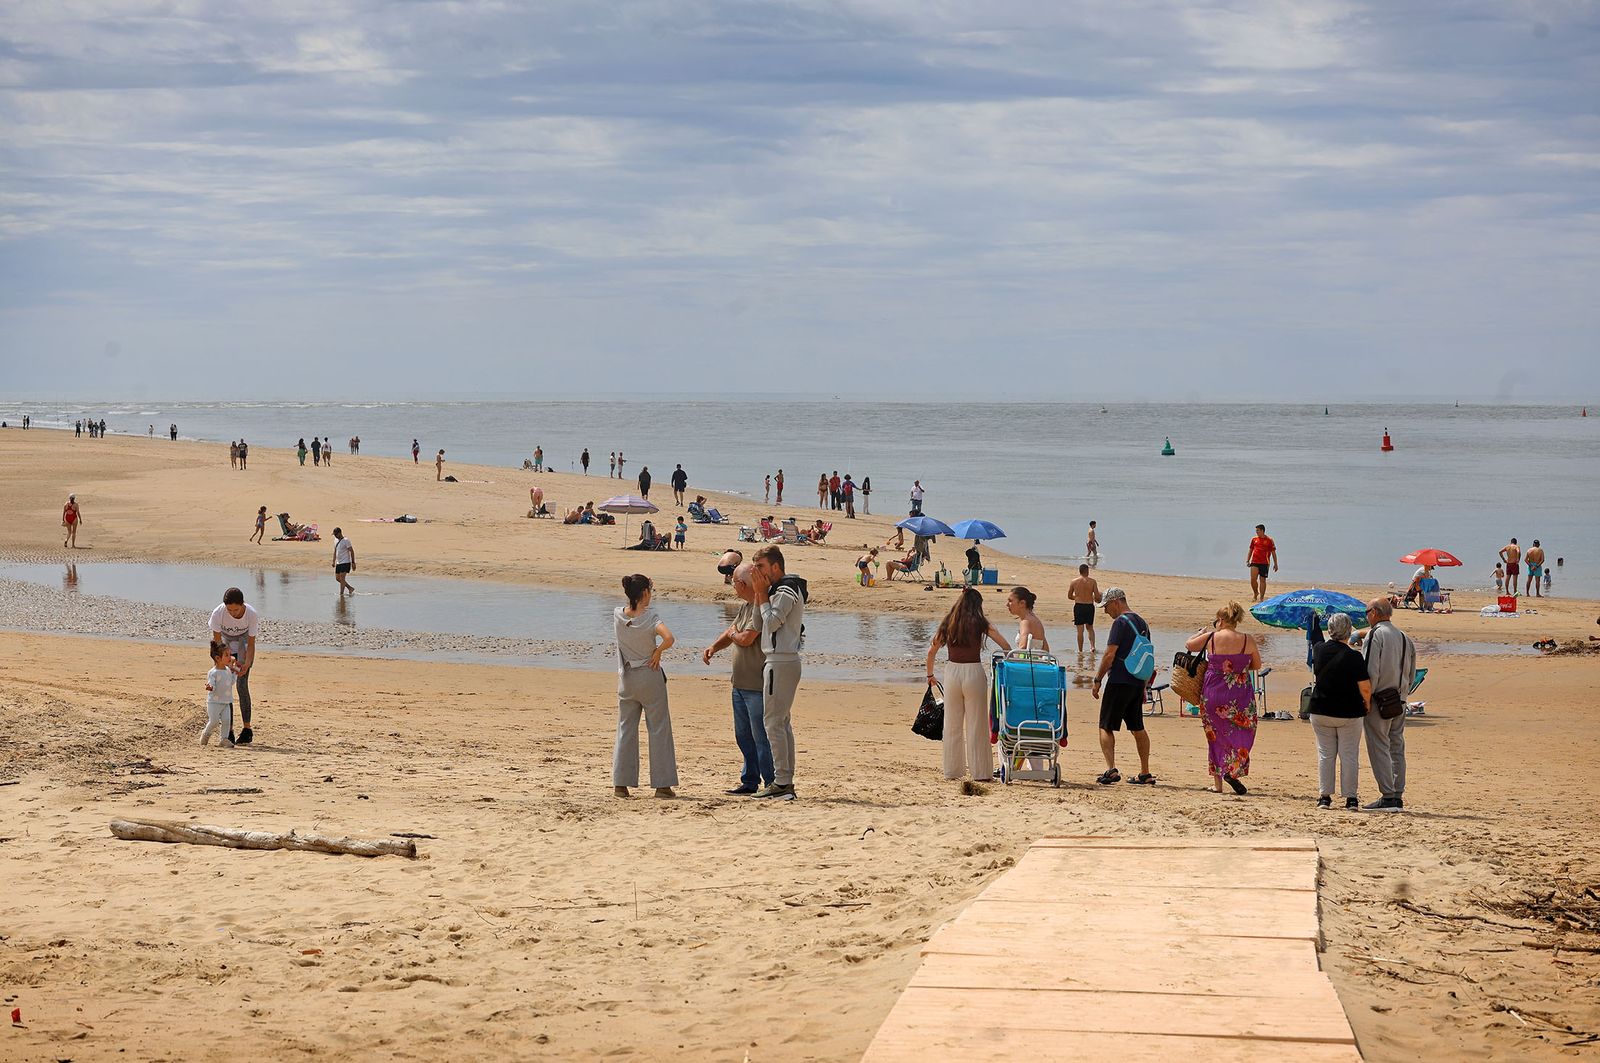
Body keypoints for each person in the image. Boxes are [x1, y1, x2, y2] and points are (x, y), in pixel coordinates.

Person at [926, 588, 1012, 782]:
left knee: (952, 724)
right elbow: (1005, 646)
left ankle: (952, 771)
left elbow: (932, 651)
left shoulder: (949, 622)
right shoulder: (981, 622)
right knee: (976, 724)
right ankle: (980, 772)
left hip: (952, 672)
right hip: (973, 672)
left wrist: (930, 675)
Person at [703, 563, 774, 795]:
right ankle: (750, 780)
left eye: (733, 581)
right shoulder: (746, 606)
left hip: (755, 685)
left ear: (742, 584)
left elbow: (744, 637)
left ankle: (770, 782)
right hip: (740, 684)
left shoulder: (760, 608)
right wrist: (714, 646)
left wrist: (733, 633)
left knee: (760, 737)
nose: (732, 585)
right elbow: (732, 632)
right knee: (743, 736)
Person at [612, 574, 678, 799]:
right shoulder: (651, 617)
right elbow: (669, 638)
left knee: (625, 729)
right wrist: (657, 652)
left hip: (627, 677)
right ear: (645, 594)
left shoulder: (618, 615)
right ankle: (662, 785)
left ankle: (621, 784)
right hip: (649, 675)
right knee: (659, 729)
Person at [1184, 601, 1260, 795]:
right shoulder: (1247, 640)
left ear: (1221, 620)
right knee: (1244, 730)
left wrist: (1200, 632)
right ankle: (1233, 770)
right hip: (1240, 694)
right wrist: (1237, 669)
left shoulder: (1211, 637)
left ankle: (1218, 785)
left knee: (1214, 736)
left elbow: (1189, 645)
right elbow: (1256, 665)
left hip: (1213, 693)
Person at [751, 545, 806, 801]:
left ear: (776, 566)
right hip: (778, 660)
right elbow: (758, 623)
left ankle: (782, 782)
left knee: (773, 722)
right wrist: (758, 594)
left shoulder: (787, 588)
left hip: (782, 661)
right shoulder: (775, 590)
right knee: (781, 722)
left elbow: (772, 622)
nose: (758, 573)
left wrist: (762, 594)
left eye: (761, 567)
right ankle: (785, 780)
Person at [1090, 588, 1153, 785]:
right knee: (1137, 727)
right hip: (1136, 680)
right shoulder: (1142, 622)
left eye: (1107, 606)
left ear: (1117, 602)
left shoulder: (1120, 623)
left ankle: (1111, 769)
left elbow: (1109, 655)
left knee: (1106, 726)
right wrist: (1143, 685)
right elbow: (1147, 655)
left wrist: (1098, 679)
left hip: (1118, 679)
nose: (1105, 611)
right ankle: (1145, 772)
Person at [1308, 611, 1371, 810]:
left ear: (1330, 630)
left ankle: (1324, 797)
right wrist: (1367, 704)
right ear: (1349, 631)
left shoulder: (1319, 650)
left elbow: (1316, 638)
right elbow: (1365, 687)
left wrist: (1314, 620)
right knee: (1349, 755)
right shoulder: (1354, 656)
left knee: (1325, 754)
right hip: (1348, 712)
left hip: (1321, 710)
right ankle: (1351, 798)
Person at [1362, 598, 1417, 812]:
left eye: (1367, 612)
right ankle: (1397, 793)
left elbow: (1370, 671)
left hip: (1379, 699)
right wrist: (1403, 693)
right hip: (1400, 699)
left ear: (1375, 612)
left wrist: (1365, 699)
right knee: (1397, 746)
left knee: (1378, 746)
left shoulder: (1375, 634)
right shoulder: (1404, 637)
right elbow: (1411, 673)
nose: (1366, 616)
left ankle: (1388, 795)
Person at [209, 588, 259, 745]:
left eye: (236, 609)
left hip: (243, 647)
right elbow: (218, 644)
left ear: (242, 605)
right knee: (225, 687)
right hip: (226, 648)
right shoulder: (218, 614)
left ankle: (247, 730)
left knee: (242, 685)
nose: (232, 613)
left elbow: (251, 644)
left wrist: (247, 664)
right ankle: (228, 731)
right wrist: (225, 662)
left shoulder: (251, 614)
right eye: (229, 609)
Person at [200, 642, 237, 748]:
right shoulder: (213, 672)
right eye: (226, 655)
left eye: (230, 654)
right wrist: (210, 687)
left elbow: (231, 682)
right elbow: (212, 683)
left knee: (226, 721)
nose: (230, 657)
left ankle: (224, 739)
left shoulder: (228, 670)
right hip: (214, 702)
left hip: (226, 701)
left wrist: (235, 673)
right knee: (214, 721)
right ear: (218, 658)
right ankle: (206, 734)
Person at [1067, 564, 1101, 653]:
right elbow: (1097, 596)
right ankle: (1092, 646)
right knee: (1090, 628)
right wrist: (1094, 598)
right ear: (1087, 571)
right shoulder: (1093, 582)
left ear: (1080, 571)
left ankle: (1080, 650)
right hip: (1089, 606)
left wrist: (1077, 597)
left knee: (1080, 630)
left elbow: (1069, 596)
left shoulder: (1074, 581)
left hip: (1079, 606)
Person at [1007, 586, 1048, 650]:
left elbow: (1023, 647)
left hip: (1027, 659)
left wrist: (1011, 658)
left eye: (1010, 601)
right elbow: (1046, 649)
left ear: (1022, 603)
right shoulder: (1035, 620)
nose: (1007, 604)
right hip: (1035, 659)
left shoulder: (1026, 622)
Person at [1246, 524, 1278, 603]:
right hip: (1254, 561)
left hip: (1265, 563)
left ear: (1262, 531)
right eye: (1256, 530)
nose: (1256, 532)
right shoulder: (1254, 539)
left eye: (1258, 530)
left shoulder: (1269, 540)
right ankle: (1255, 593)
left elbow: (1273, 552)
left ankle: (1261, 597)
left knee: (1262, 580)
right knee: (1253, 579)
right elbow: (1251, 550)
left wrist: (1275, 563)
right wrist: (1247, 560)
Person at [331, 528, 356, 595]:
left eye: (336, 534)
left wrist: (353, 562)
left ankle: (341, 594)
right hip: (338, 562)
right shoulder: (335, 540)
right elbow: (335, 551)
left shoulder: (346, 540)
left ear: (339, 533)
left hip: (345, 562)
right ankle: (350, 588)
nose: (335, 536)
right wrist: (333, 561)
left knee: (342, 578)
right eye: (334, 534)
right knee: (338, 578)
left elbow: (351, 551)